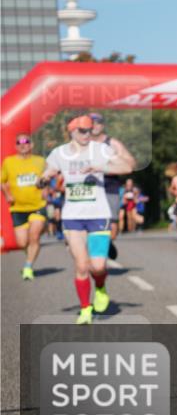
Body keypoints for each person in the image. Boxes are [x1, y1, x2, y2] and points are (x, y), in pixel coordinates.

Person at [39, 115, 133, 324]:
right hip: (73, 217)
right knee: (82, 265)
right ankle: (85, 308)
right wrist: (44, 178)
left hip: (98, 214)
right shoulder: (59, 153)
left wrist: (103, 168)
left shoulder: (99, 150)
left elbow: (127, 167)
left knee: (98, 267)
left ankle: (100, 287)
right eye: (82, 131)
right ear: (71, 131)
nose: (86, 134)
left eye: (89, 130)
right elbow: (50, 170)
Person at [2, 132, 48, 280]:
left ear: (32, 145)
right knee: (22, 242)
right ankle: (30, 254)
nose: (23, 145)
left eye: (26, 142)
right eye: (19, 143)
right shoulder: (9, 162)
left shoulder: (40, 161)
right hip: (18, 208)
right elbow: (2, 181)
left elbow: (47, 177)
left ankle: (28, 267)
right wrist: (7, 194)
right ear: (15, 146)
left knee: (34, 237)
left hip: (37, 205)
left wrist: (45, 189)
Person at [89, 113, 135, 258]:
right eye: (91, 123)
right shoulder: (82, 143)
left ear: (102, 126)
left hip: (110, 186)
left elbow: (131, 163)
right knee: (91, 221)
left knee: (113, 225)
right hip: (90, 187)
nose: (94, 126)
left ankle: (108, 242)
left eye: (98, 123)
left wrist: (111, 161)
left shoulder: (112, 143)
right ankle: (95, 251)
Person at [45, 174, 65, 239]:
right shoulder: (51, 179)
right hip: (53, 200)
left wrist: (59, 189)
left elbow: (64, 188)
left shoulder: (63, 177)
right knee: (55, 217)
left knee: (60, 216)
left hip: (61, 199)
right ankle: (58, 231)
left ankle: (60, 231)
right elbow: (48, 189)